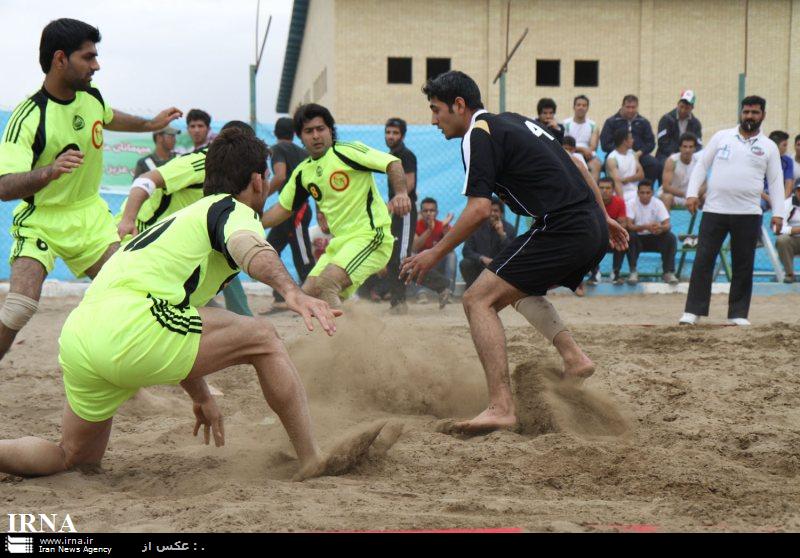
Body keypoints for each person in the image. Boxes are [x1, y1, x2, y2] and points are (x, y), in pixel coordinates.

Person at [0, 127, 355, 481]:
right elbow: (248, 245)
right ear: (257, 181)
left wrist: (200, 395)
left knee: (72, 456)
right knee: (264, 337)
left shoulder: (181, 217)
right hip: (132, 325)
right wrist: (291, 291)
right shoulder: (232, 208)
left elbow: (181, 322)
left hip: (81, 334)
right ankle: (311, 458)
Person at [402, 71, 628, 433]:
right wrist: (604, 220)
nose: (433, 120)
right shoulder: (513, 120)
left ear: (459, 106)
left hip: (563, 226)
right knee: (512, 284)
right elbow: (578, 164)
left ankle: (501, 406)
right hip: (586, 224)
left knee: (477, 300)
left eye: (436, 110)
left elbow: (478, 210)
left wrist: (433, 252)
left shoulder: (477, 134)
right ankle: (574, 358)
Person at [0, 18, 181, 364]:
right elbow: (4, 186)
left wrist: (150, 124)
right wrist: (49, 171)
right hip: (42, 220)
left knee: (135, 295)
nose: (96, 65)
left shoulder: (91, 97)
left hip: (89, 217)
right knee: (19, 307)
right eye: (88, 57)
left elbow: (110, 117)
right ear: (60, 59)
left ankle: (148, 383)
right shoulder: (29, 116)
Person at [261, 103, 411, 308]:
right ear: (300, 136)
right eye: (309, 131)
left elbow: (392, 163)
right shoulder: (303, 172)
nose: (315, 135)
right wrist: (249, 222)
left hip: (371, 237)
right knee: (307, 295)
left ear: (330, 130)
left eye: (320, 129)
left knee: (327, 283)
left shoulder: (346, 152)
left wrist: (401, 193)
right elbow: (282, 209)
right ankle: (359, 330)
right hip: (339, 244)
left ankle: (343, 339)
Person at [116, 120, 258, 317]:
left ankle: (239, 320)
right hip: (139, 232)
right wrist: (127, 220)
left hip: (175, 235)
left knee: (220, 262)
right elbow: (145, 180)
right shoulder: (200, 161)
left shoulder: (233, 171)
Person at [680, 96, 784, 326]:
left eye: (755, 112)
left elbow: (776, 182)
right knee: (703, 260)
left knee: (743, 264)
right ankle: (692, 312)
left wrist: (779, 213)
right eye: (746, 111)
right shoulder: (721, 137)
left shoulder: (769, 146)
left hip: (749, 213)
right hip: (714, 210)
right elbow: (701, 165)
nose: (749, 116)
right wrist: (691, 194)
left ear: (763, 115)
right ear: (740, 112)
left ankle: (738, 314)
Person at [266, 117, 314, 311]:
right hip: (291, 210)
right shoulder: (304, 152)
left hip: (296, 210)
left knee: (302, 257)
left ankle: (313, 299)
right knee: (270, 250)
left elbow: (280, 176)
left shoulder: (277, 149)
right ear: (294, 134)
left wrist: (261, 196)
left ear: (275, 133)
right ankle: (280, 296)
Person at [383, 117, 422, 314]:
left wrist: (393, 202)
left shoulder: (406, 156)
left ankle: (399, 303)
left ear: (403, 135)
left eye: (395, 133)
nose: (390, 136)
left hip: (405, 211)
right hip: (396, 213)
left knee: (401, 257)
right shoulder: (390, 156)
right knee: (393, 257)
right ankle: (396, 302)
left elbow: (409, 185)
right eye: (388, 132)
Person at [626, 180, 678, 285]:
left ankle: (668, 272)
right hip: (638, 238)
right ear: (638, 193)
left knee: (670, 237)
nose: (645, 195)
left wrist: (660, 227)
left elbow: (668, 224)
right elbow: (629, 225)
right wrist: (646, 227)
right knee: (630, 237)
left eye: (648, 193)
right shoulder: (631, 203)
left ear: (652, 193)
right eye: (642, 192)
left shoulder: (658, 203)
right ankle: (633, 271)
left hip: (655, 237)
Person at [600, 95, 661, 184]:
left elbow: (650, 143)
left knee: (654, 164)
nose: (630, 110)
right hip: (617, 154)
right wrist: (621, 152)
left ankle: (645, 191)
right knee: (609, 163)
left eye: (633, 107)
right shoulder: (611, 122)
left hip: (638, 154)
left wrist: (638, 153)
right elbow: (605, 144)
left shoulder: (643, 122)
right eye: (628, 107)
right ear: (622, 106)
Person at [460, 198, 515, 289]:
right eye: (490, 210)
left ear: (501, 213)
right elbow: (466, 251)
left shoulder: (509, 229)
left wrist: (502, 235)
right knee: (465, 263)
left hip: (498, 270)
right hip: (480, 267)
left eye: (496, 211)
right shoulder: (476, 227)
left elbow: (512, 254)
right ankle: (473, 290)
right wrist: (482, 258)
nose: (492, 213)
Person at [413, 197, 456, 305]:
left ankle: (448, 292)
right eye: (425, 211)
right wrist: (429, 231)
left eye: (431, 210)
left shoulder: (443, 225)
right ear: (421, 212)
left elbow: (451, 247)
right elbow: (415, 247)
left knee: (452, 256)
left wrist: (445, 229)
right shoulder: (415, 226)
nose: (428, 213)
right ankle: (421, 293)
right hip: (423, 263)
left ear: (436, 212)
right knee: (412, 255)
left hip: (438, 262)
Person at [588, 177, 629, 285]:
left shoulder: (620, 202)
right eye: (601, 188)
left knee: (623, 237)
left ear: (613, 190)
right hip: (598, 236)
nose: (604, 190)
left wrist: (613, 234)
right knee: (589, 238)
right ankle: (594, 273)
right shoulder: (591, 202)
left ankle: (616, 273)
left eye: (607, 188)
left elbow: (623, 223)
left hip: (613, 236)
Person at [660, 132, 704, 210]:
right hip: (674, 196)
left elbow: (705, 185)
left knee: (706, 198)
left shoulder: (698, 162)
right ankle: (666, 222)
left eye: (691, 147)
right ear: (680, 148)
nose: (687, 150)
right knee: (666, 197)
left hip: (691, 195)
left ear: (694, 148)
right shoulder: (672, 161)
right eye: (685, 147)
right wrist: (685, 194)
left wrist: (693, 195)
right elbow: (666, 187)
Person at [656, 90, 703, 161]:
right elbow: (662, 142)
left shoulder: (696, 123)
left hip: (688, 156)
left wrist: (690, 155)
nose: (683, 110)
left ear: (692, 108)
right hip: (666, 154)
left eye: (687, 108)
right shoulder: (666, 119)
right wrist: (674, 155)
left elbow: (698, 144)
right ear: (678, 104)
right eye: (681, 106)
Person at [563, 95, 601, 181]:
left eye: (584, 105)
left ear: (587, 108)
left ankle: (592, 192)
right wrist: (581, 149)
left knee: (596, 164)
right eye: (578, 105)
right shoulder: (565, 124)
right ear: (574, 107)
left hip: (587, 155)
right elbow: (565, 144)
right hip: (570, 152)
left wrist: (585, 151)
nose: (581, 107)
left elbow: (593, 146)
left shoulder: (593, 125)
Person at [605, 128, 644, 207]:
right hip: (621, 194)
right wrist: (622, 203)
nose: (633, 140)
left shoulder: (633, 154)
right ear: (624, 141)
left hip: (634, 192)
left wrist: (627, 179)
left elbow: (641, 175)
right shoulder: (612, 159)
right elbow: (617, 183)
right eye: (631, 138)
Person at [775, 185, 800, 283]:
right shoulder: (786, 204)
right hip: (792, 240)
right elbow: (776, 228)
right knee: (782, 240)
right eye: (799, 190)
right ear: (795, 191)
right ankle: (790, 274)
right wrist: (796, 230)